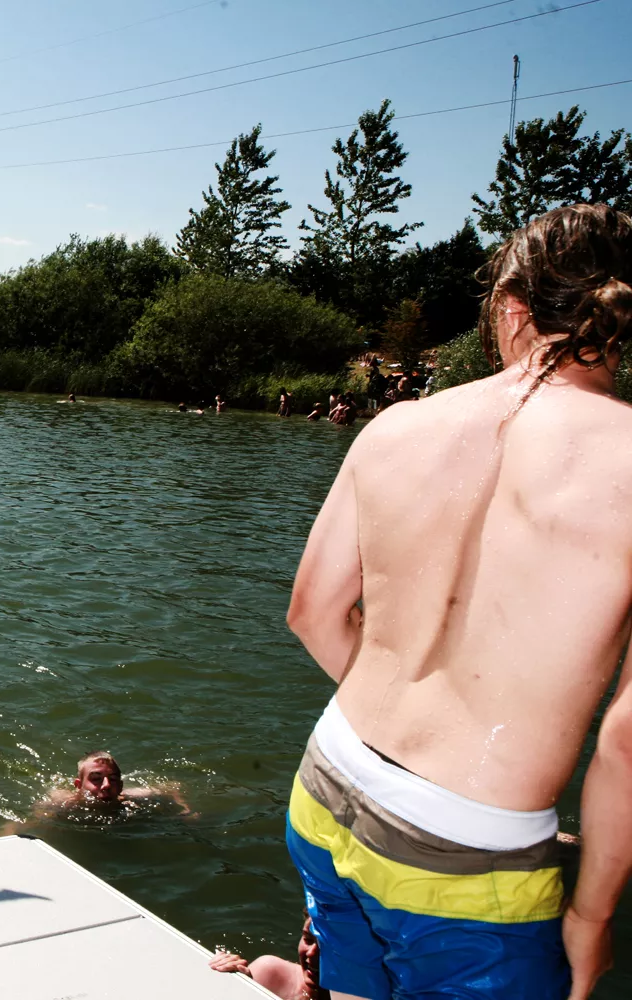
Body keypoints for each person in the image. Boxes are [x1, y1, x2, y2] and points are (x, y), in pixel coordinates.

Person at [284, 205, 632, 1000]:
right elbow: (624, 742)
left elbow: (312, 612)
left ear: (509, 306)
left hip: (327, 786)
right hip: (469, 856)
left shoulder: (398, 426)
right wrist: (591, 915)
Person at [35, 751, 191, 817]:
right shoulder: (62, 802)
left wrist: (185, 809)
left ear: (121, 786)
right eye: (96, 778)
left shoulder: (133, 797)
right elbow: (34, 819)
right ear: (78, 784)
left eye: (113, 779)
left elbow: (171, 786)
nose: (106, 785)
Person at [209, 915, 326, 1000]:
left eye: (327, 947)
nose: (311, 953)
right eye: (307, 939)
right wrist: (240, 985)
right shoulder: (270, 975)